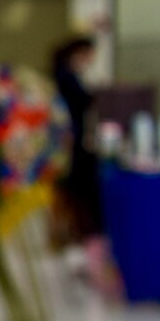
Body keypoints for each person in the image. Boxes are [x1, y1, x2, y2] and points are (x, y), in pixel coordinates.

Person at [52, 35, 101, 240]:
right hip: (70, 137)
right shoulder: (65, 75)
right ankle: (75, 230)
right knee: (74, 185)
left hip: (76, 135)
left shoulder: (71, 74)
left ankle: (77, 229)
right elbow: (80, 102)